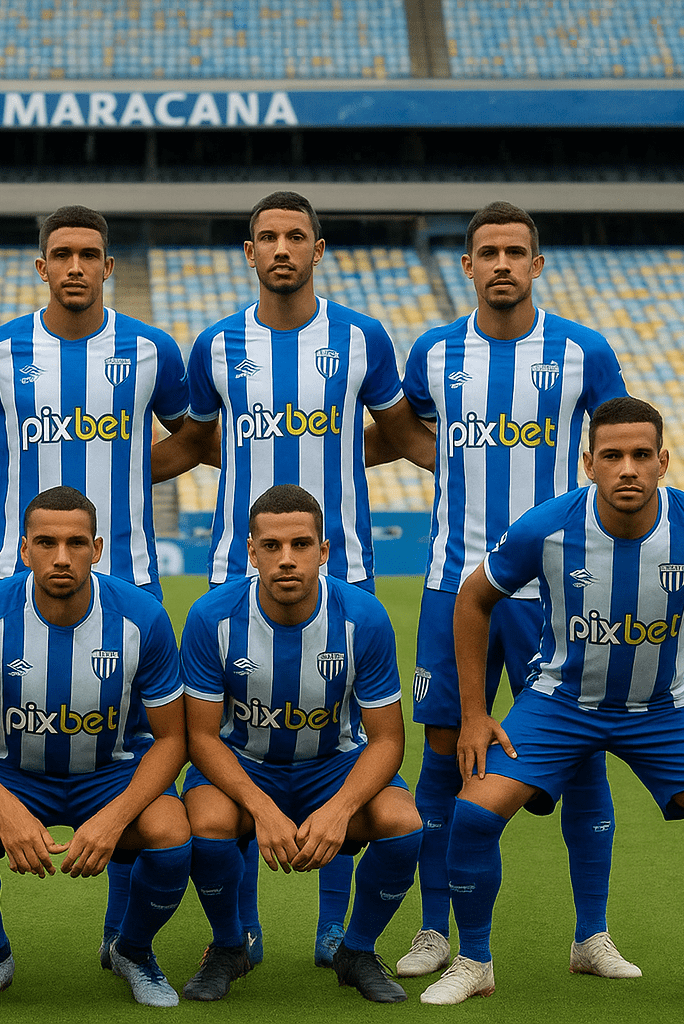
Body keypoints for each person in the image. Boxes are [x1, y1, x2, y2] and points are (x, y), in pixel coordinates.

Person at [0, 204, 191, 971]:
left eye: (90, 253)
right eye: (62, 253)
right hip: (12, 589)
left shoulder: (152, 350)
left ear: (109, 265)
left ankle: (123, 939)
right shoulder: (2, 348)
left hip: (128, 584)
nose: (76, 266)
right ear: (41, 265)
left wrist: (126, 481)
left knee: (133, 755)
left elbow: (198, 437)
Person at [152, 190, 435, 966]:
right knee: (232, 745)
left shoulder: (362, 337)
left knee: (342, 744)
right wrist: (105, 474)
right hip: (232, 577)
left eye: (296, 237)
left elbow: (401, 434)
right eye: (267, 237)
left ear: (319, 248)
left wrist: (475, 471)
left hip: (344, 573)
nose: (281, 248)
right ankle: (237, 934)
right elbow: (195, 445)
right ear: (249, 252)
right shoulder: (214, 344)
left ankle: (336, 933)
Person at [421, 397, 684, 1009]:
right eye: (612, 456)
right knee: (475, 814)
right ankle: (474, 959)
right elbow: (472, 600)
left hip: (665, 710)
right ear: (588, 464)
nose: (627, 468)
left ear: (663, 461)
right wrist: (475, 713)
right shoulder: (546, 528)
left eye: (640, 455)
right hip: (559, 704)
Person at [395, 202, 634, 981]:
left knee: (583, 753)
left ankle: (591, 936)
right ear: (466, 266)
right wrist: (460, 471)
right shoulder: (432, 353)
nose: (501, 263)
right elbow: (408, 430)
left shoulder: (583, 352)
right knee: (442, 752)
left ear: (537, 265)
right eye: (487, 252)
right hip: (448, 584)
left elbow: (618, 446)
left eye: (515, 251)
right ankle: (436, 931)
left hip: (556, 592)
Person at [0, 487, 192, 1009]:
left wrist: (116, 818)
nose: (60, 557)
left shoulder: (142, 616)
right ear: (24, 550)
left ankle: (133, 951)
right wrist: (6, 810)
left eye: (75, 543)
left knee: (170, 830)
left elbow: (173, 739)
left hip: (110, 772)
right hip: (13, 773)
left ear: (97, 549)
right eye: (45, 543)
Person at [177, 485, 422, 1003]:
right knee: (204, 823)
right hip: (244, 763)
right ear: (251, 551)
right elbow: (199, 735)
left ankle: (356, 950)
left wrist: (339, 809)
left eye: (301, 545)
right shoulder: (211, 618)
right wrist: (261, 808)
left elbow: (386, 740)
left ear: (324, 550)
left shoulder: (364, 617)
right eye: (271, 546)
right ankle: (229, 946)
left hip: (333, 765)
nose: (286, 560)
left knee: (403, 823)